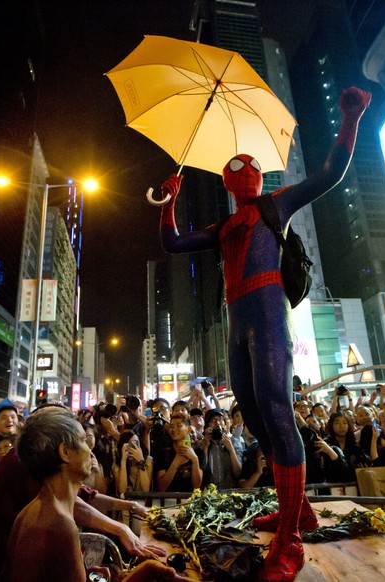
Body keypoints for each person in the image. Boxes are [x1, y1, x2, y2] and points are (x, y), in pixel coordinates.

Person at [157, 85, 371, 581]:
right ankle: (299, 511)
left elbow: (330, 174)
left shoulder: (276, 204)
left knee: (277, 410)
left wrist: (351, 118)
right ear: (230, 182)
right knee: (253, 416)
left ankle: (290, 539)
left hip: (269, 311)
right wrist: (169, 201)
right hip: (239, 323)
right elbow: (171, 242)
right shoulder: (223, 225)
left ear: (261, 177)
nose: (246, 174)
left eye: (253, 168)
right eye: (238, 170)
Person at [3, 409, 190, 582]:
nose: (89, 449)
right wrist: (147, 570)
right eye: (83, 440)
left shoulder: (35, 510)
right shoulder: (60, 525)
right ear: (65, 452)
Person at [154, 415, 203, 492]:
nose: (174, 429)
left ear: (189, 429)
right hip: (168, 500)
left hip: (190, 499)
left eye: (178, 426)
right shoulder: (163, 451)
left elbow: (197, 486)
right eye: (171, 426)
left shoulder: (198, 451)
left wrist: (194, 459)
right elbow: (161, 487)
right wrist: (175, 463)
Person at [197, 408, 242, 489]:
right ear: (207, 427)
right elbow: (202, 471)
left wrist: (231, 449)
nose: (217, 423)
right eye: (213, 420)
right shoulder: (202, 444)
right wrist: (205, 447)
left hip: (230, 492)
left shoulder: (234, 442)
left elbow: (238, 473)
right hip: (210, 494)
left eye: (220, 420)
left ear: (225, 424)